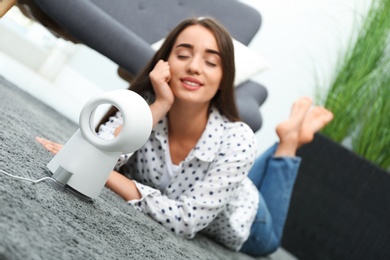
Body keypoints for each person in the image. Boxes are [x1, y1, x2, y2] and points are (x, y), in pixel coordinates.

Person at [36, 17, 333, 256]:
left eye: (211, 62)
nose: (193, 66)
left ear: (222, 80)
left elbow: (186, 221)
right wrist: (159, 106)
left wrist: (111, 178)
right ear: (164, 65)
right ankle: (287, 140)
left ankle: (289, 143)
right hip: (228, 174)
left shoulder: (238, 138)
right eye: (183, 55)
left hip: (250, 220)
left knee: (269, 242)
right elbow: (97, 149)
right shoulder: (144, 108)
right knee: (242, 173)